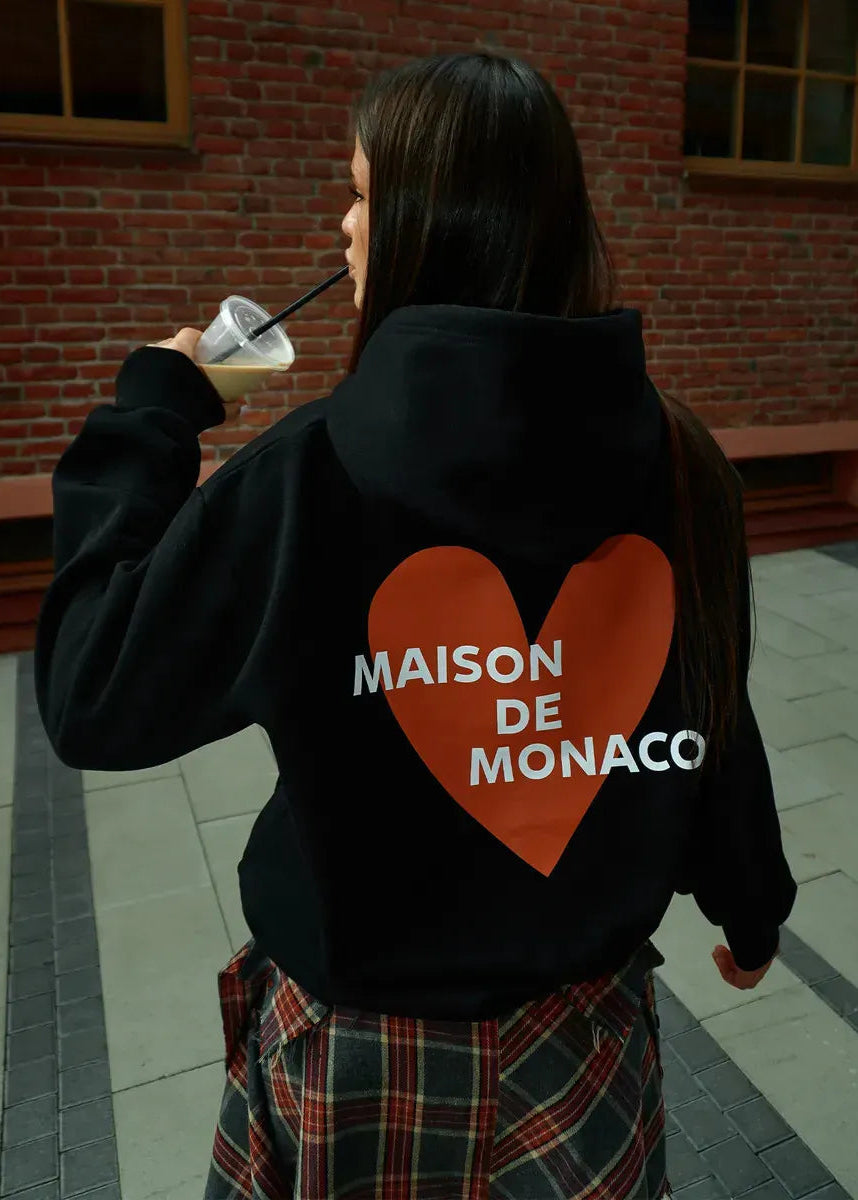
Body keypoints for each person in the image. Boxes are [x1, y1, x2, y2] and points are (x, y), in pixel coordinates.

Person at [34, 52, 797, 1200]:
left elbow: (94, 690)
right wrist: (751, 902)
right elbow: (704, 717)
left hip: (360, 1059)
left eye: (360, 193)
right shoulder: (686, 464)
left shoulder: (305, 478)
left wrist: (151, 416)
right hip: (584, 1051)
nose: (343, 228)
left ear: (437, 222)